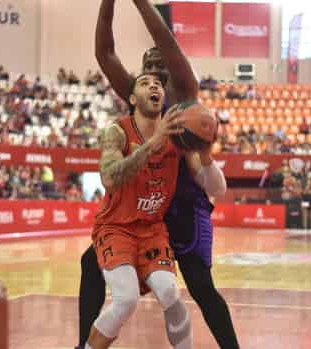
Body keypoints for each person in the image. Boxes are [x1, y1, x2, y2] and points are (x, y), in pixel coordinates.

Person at [77, 1, 240, 349]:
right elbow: (105, 54)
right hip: (144, 210)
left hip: (183, 207)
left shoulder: (183, 93)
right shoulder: (140, 97)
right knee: (90, 263)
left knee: (200, 287)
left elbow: (167, 42)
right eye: (146, 68)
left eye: (159, 64)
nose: (152, 70)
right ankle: (83, 343)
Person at [87, 72, 193, 349]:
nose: (154, 85)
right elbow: (109, 178)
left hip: (153, 229)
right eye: (145, 83)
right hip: (116, 227)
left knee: (171, 292)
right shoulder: (117, 131)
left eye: (158, 83)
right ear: (133, 99)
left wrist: (206, 158)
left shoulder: (178, 136)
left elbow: (210, 181)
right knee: (126, 299)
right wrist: (151, 145)